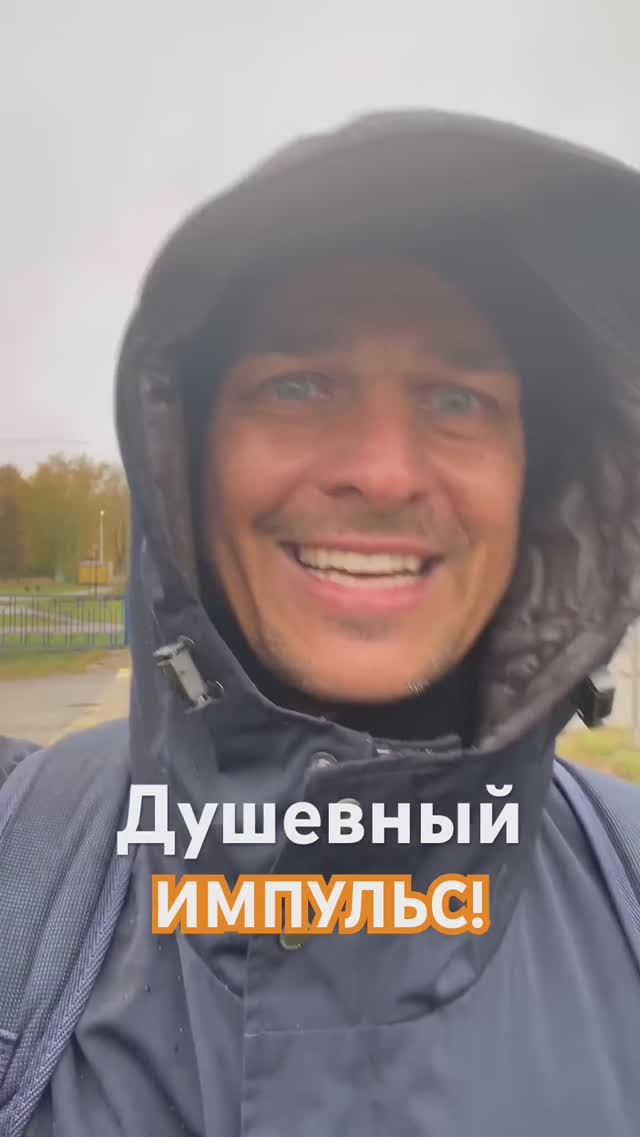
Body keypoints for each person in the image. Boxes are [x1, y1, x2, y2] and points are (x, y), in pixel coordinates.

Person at [4, 110, 640, 1136]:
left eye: (458, 400)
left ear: (544, 475)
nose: (383, 472)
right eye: (297, 386)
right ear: (185, 456)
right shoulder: (18, 863)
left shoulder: (628, 883)